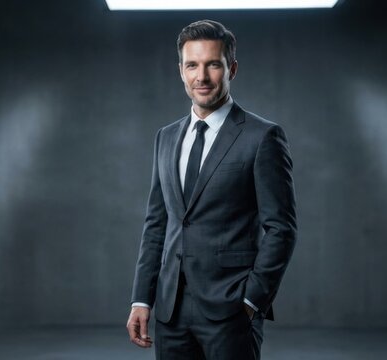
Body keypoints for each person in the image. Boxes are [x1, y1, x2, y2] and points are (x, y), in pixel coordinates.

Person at [126, 20, 297, 360]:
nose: (201, 77)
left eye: (213, 64)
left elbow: (282, 228)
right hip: (170, 312)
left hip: (231, 311)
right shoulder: (166, 137)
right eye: (192, 65)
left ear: (231, 68)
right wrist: (142, 298)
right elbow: (157, 224)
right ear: (181, 70)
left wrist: (251, 301)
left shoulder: (262, 137)